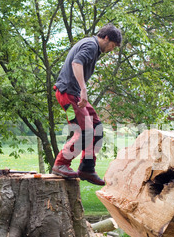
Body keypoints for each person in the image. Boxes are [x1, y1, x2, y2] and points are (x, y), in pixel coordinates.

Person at [52, 24, 122, 185]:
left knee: (96, 127)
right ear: (106, 38)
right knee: (84, 132)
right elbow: (76, 63)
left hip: (74, 94)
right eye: (113, 45)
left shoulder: (91, 46)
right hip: (68, 94)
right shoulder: (91, 45)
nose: (112, 49)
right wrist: (84, 89)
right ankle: (61, 164)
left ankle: (87, 168)